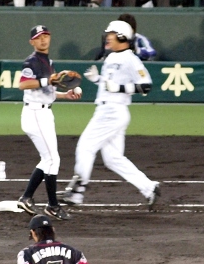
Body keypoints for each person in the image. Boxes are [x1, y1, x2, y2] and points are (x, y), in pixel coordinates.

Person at [61, 19, 160, 209]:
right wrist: (98, 79)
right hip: (110, 109)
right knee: (113, 159)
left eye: (111, 34)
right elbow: (109, 86)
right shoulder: (111, 57)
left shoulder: (130, 58)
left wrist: (119, 87)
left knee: (85, 146)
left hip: (112, 111)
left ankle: (77, 192)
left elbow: (146, 85)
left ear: (122, 37)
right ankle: (149, 188)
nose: (107, 37)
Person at [14, 25, 80, 219]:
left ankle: (26, 198)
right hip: (35, 114)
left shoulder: (48, 62)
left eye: (46, 36)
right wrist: (47, 81)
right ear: (32, 42)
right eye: (38, 37)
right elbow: (23, 84)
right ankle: (52, 205)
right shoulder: (31, 61)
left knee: (48, 159)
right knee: (53, 159)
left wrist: (64, 95)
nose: (43, 40)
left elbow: (47, 91)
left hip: (43, 113)